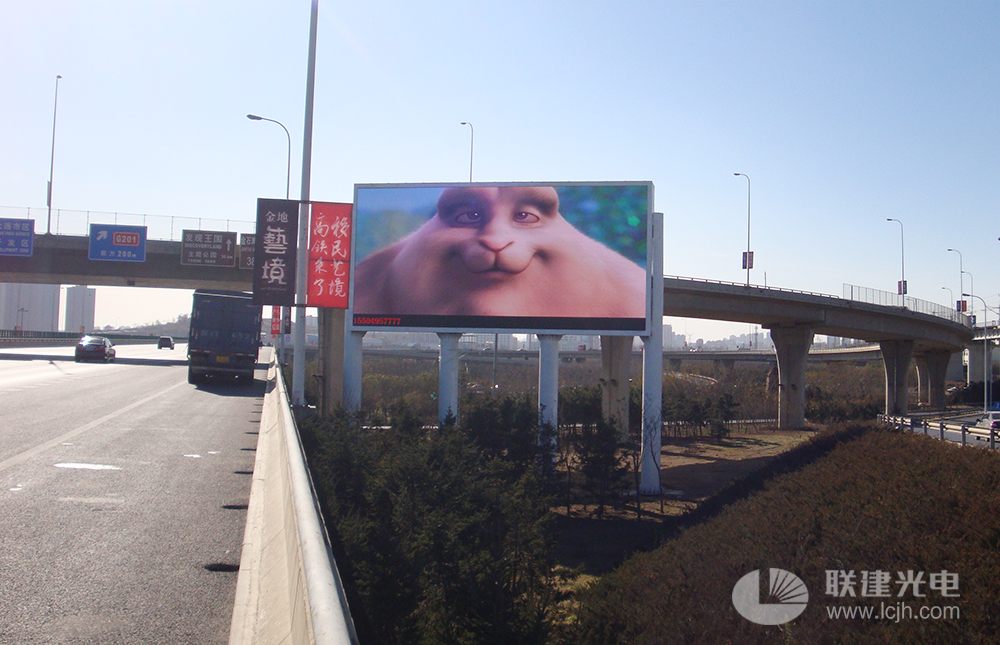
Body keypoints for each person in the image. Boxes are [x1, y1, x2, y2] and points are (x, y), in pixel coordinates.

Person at [353, 185, 646, 318]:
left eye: (524, 216)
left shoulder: (631, 291)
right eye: (469, 216)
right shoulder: (367, 281)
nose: (495, 239)